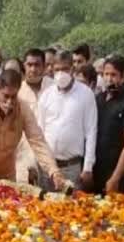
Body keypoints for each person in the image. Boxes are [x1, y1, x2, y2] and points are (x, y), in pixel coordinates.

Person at [37, 50, 98, 191]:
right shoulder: (46, 95)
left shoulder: (86, 94)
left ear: (72, 69)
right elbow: (39, 132)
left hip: (72, 168)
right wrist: (38, 162)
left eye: (64, 69)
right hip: (48, 167)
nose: (60, 73)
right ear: (52, 70)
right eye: (57, 69)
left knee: (71, 209)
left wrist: (88, 166)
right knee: (43, 209)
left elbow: (91, 132)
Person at [91, 55, 124, 194]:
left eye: (113, 75)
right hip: (95, 171)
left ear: (123, 77)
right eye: (106, 74)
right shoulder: (98, 99)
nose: (109, 79)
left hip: (116, 175)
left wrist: (115, 178)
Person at [16, 48, 53, 184]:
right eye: (29, 65)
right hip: (23, 154)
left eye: (37, 65)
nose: (33, 69)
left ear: (44, 67)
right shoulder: (16, 92)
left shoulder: (53, 88)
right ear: (24, 66)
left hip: (50, 153)